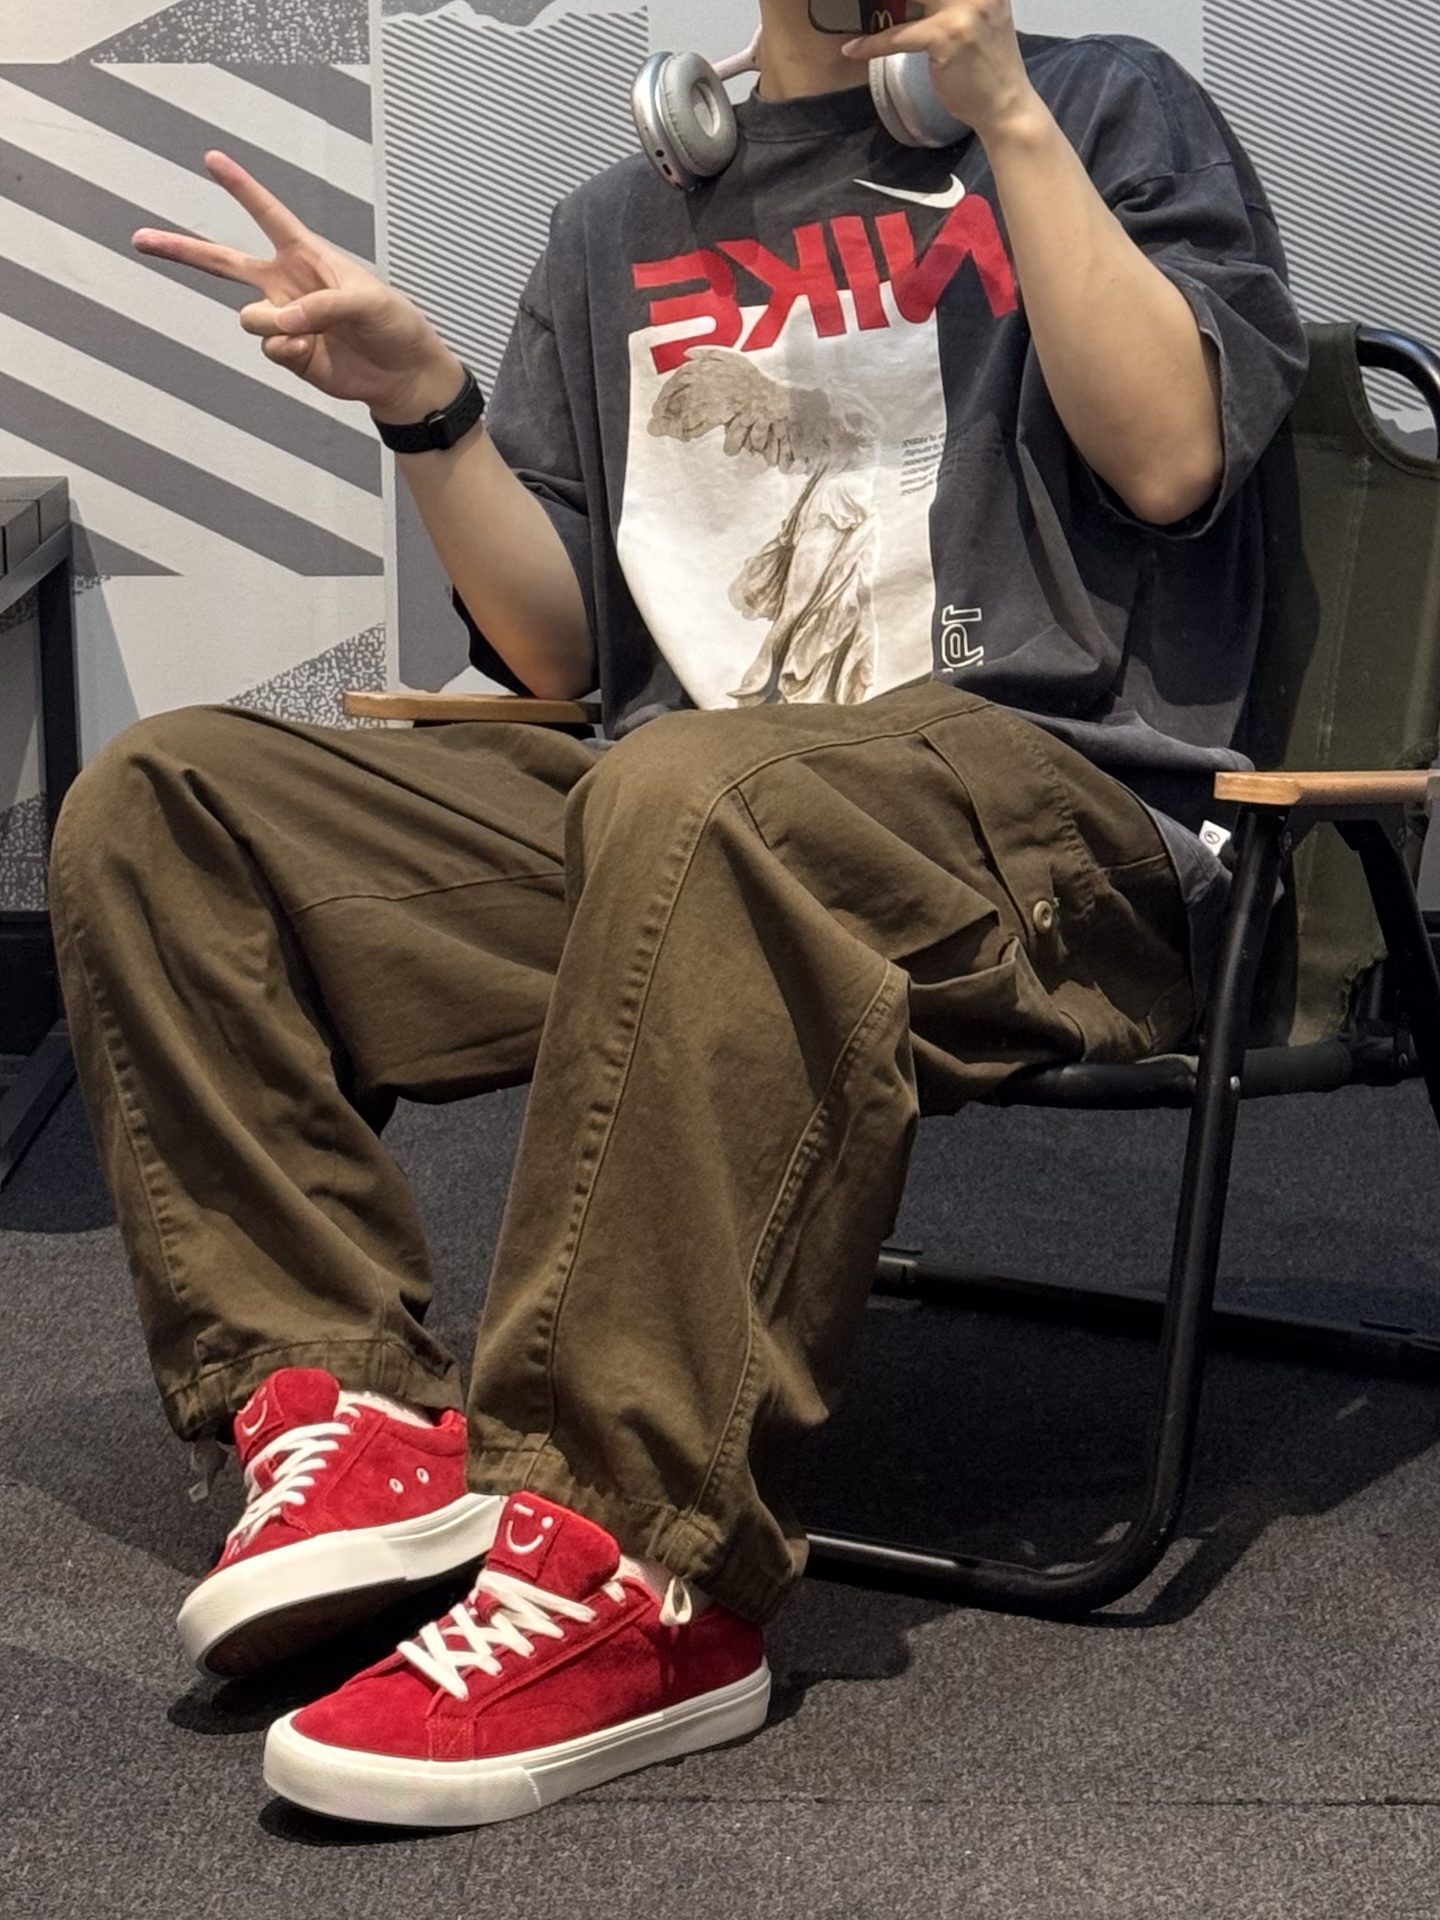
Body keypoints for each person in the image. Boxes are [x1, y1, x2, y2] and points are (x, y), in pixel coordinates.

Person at [49, 0, 1307, 1827]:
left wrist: (1006, 116)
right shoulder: (616, 221)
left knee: (697, 789)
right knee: (166, 800)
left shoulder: (1106, 109)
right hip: (684, 820)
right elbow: (561, 646)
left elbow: (1172, 461)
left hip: (1048, 819)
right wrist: (426, 403)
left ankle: (635, 1568)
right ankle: (344, 1409)